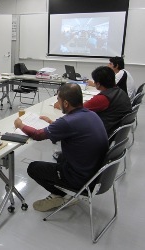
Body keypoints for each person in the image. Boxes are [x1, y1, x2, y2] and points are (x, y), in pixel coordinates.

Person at [14, 83, 108, 212]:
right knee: (60, 156)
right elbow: (71, 130)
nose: (57, 102)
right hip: (96, 172)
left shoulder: (67, 122)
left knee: (33, 168)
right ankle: (64, 190)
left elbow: (37, 135)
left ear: (66, 103)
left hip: (80, 179)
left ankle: (63, 196)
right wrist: (52, 123)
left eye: (58, 99)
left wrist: (20, 125)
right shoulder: (91, 114)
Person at [55, 66, 132, 136]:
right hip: (114, 129)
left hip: (103, 132)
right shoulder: (119, 91)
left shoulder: (103, 99)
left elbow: (75, 109)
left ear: (98, 84)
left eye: (94, 81)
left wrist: (60, 103)